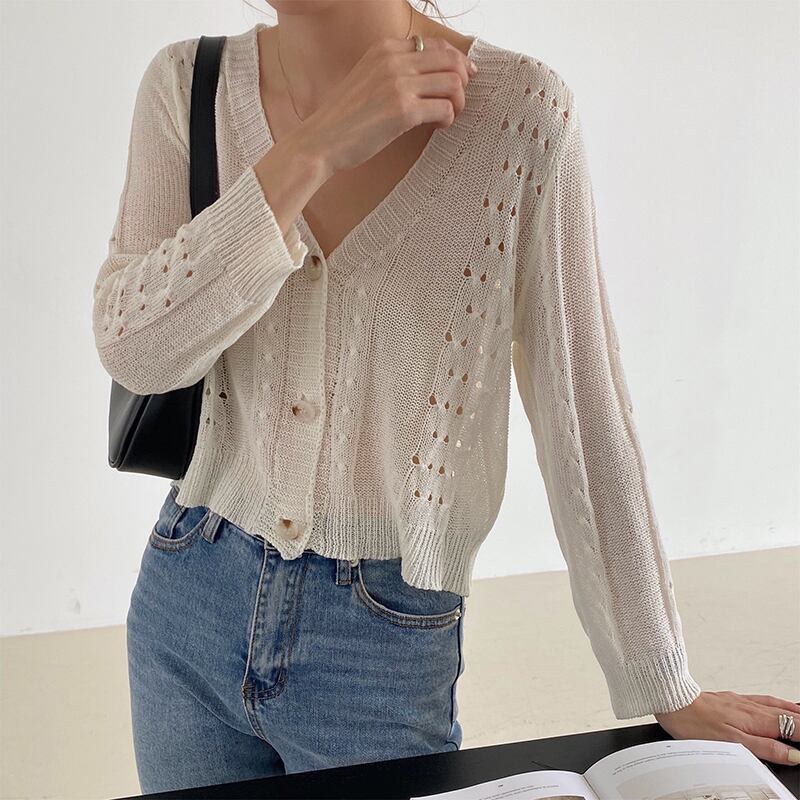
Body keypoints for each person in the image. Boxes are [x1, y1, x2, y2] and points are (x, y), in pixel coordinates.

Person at [91, 0, 800, 794]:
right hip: (188, 597)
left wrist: (664, 681)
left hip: (379, 642)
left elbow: (583, 410)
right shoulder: (187, 85)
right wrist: (312, 151)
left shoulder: (520, 115)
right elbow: (135, 351)